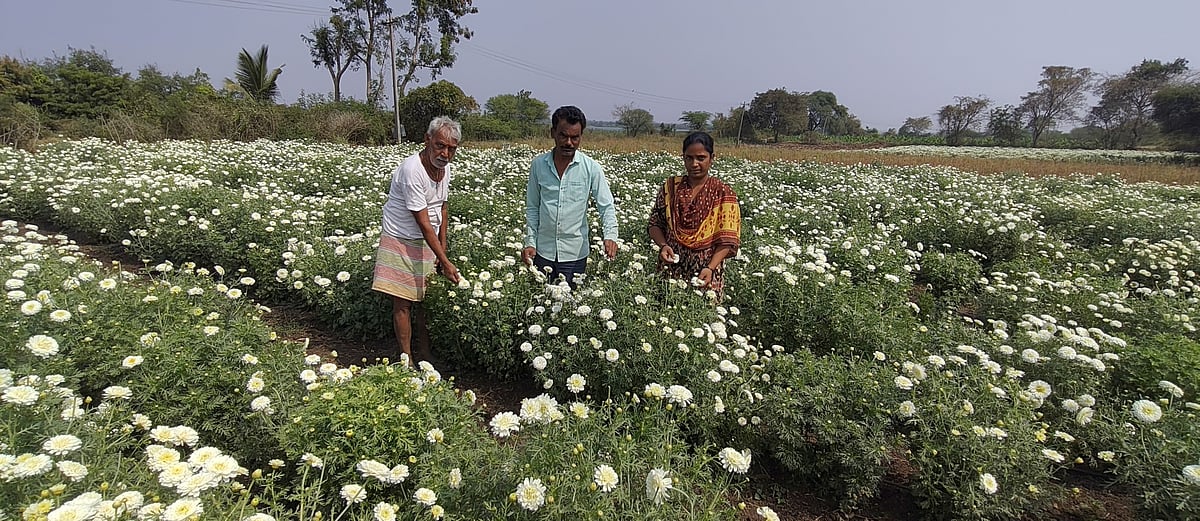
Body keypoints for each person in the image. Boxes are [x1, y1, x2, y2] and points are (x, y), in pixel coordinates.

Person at [372, 116, 462, 365]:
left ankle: (425, 353)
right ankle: (406, 359)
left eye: (451, 148)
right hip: (401, 237)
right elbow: (422, 221)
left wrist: (442, 252)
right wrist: (445, 261)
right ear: (427, 140)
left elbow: (442, 208)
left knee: (424, 301)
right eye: (440, 145)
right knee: (403, 302)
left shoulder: (445, 169)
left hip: (427, 240)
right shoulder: (412, 170)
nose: (445, 153)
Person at [522, 105, 618, 286]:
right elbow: (533, 207)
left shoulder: (591, 168)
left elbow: (606, 206)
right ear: (553, 133)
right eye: (563, 135)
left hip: (574, 255)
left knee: (570, 307)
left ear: (581, 136)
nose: (569, 143)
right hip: (543, 252)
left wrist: (610, 236)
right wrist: (530, 242)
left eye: (575, 137)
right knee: (541, 303)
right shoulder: (538, 165)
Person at [647, 131, 741, 298]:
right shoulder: (671, 188)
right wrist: (663, 246)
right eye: (689, 158)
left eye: (701, 158)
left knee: (701, 316)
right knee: (665, 310)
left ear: (712, 158)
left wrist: (710, 267)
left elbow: (728, 239)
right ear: (683, 157)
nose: (694, 163)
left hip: (705, 271)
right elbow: (655, 223)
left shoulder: (722, 192)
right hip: (671, 265)